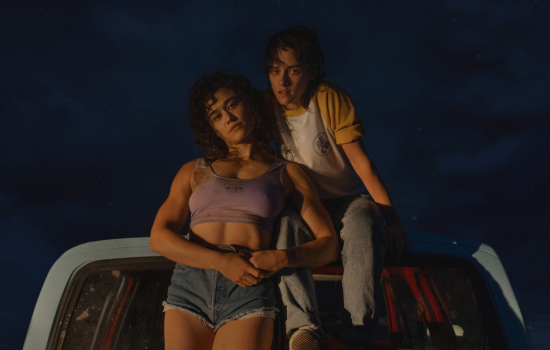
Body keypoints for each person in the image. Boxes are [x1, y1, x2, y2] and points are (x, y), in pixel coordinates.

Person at [150, 72, 339, 350]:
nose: (227, 117)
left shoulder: (287, 173)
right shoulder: (193, 171)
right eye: (216, 116)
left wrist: (283, 258)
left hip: (249, 287)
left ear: (250, 105)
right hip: (191, 285)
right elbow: (159, 237)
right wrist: (221, 261)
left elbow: (329, 245)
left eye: (232, 104)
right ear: (213, 129)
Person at [257, 26, 410, 350]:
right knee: (284, 227)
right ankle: (302, 330)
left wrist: (392, 219)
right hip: (304, 203)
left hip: (347, 199)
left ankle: (358, 332)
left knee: (362, 225)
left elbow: (362, 165)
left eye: (293, 70)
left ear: (310, 71)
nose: (282, 82)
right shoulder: (267, 106)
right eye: (274, 70)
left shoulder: (328, 99)